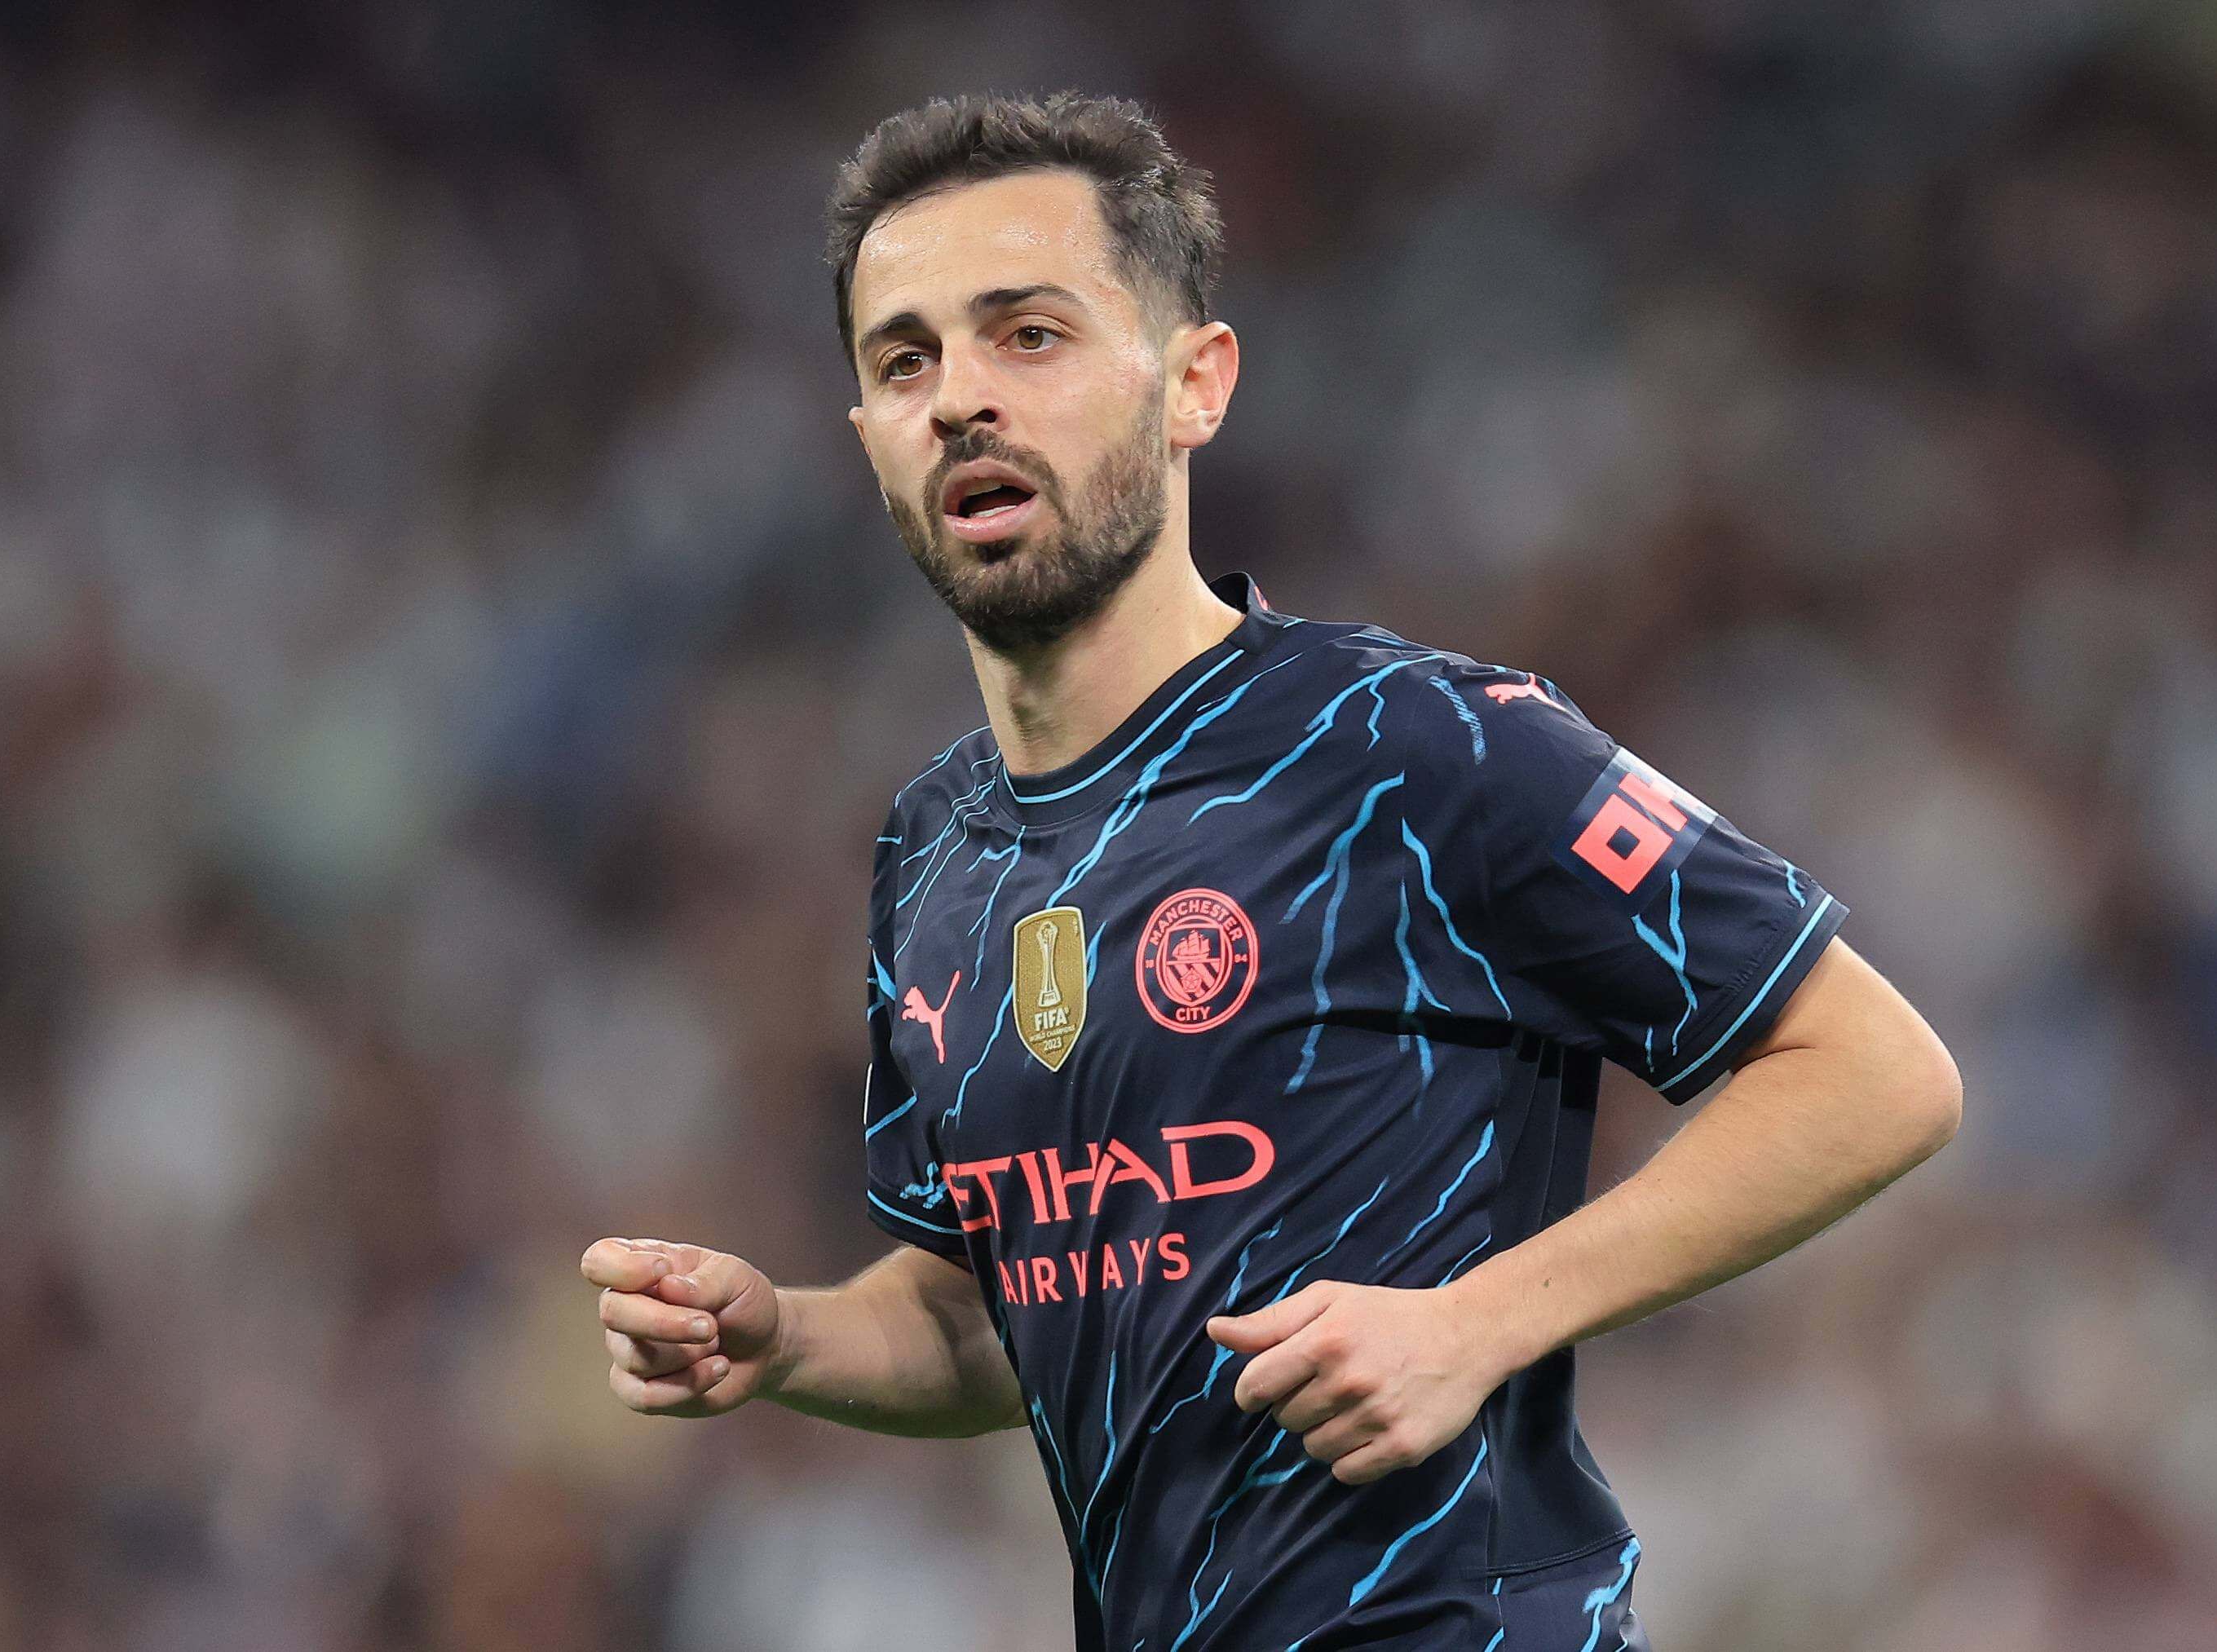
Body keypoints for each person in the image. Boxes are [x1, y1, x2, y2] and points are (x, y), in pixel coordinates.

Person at [582, 91, 1962, 1651]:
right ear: (868, 441)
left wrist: (1477, 1322)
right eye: (905, 360)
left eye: (1029, 334)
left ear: (1195, 383)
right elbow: (996, 1311)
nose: (960, 396)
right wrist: (787, 1339)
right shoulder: (934, 851)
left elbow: (1872, 1071)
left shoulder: (1418, 743)